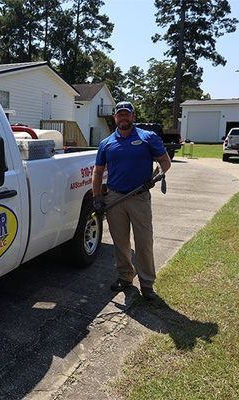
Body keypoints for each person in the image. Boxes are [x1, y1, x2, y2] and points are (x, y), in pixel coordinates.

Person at [91, 101, 171, 300]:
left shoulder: (147, 138)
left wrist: (156, 176)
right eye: (120, 115)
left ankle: (147, 284)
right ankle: (125, 277)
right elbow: (97, 171)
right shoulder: (106, 143)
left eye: (127, 114)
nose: (123, 117)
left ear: (133, 117)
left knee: (143, 242)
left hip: (139, 197)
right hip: (115, 198)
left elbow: (165, 162)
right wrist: (97, 197)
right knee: (120, 242)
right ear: (115, 118)